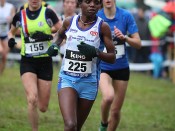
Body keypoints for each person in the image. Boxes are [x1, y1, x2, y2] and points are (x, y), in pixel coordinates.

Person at [47, 0, 116, 130]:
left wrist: (95, 52)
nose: (92, 5)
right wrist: (54, 46)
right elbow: (59, 36)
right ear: (80, 4)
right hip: (67, 79)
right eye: (88, 2)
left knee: (76, 127)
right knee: (70, 124)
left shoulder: (103, 27)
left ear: (99, 6)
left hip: (89, 83)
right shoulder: (69, 21)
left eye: (96, 2)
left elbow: (112, 57)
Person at [8, 0, 61, 131]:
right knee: (32, 99)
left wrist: (49, 37)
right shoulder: (20, 15)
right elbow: (11, 32)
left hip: (45, 62)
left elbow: (62, 32)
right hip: (28, 62)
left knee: (43, 107)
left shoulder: (48, 13)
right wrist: (12, 41)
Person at [97, 0, 141, 130]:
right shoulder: (97, 17)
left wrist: (125, 38)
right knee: (108, 97)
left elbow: (138, 43)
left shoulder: (126, 16)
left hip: (121, 68)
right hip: (103, 67)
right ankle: (103, 123)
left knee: (115, 112)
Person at [0, 0, 15, 74]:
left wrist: (11, 18)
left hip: (5, 34)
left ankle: (1, 72)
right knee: (1, 50)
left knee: (4, 56)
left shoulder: (10, 7)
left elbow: (14, 18)